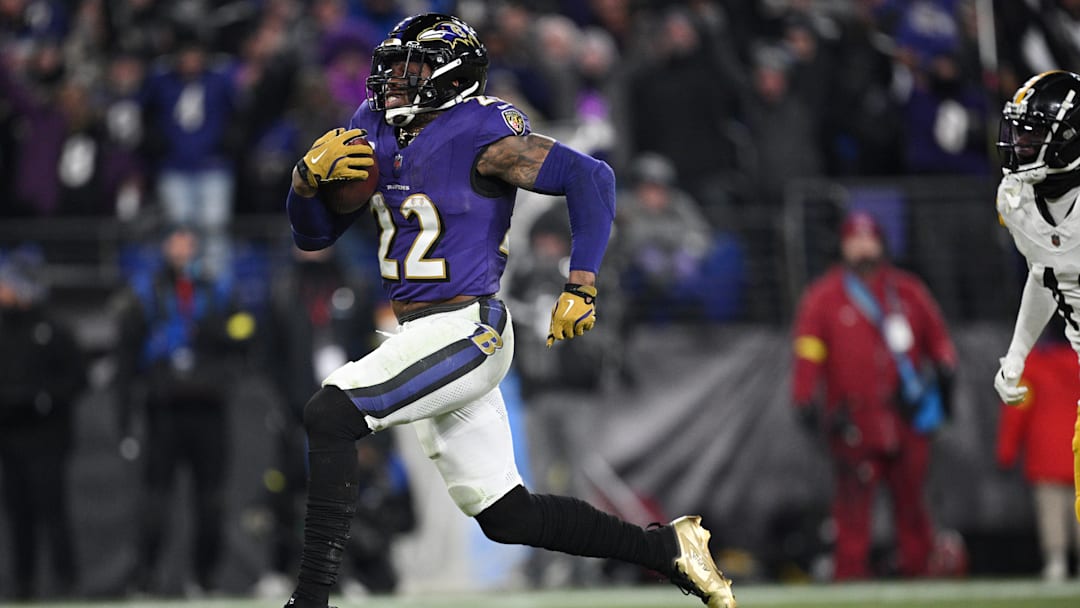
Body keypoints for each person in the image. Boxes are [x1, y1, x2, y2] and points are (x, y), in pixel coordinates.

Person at [282, 13, 735, 608]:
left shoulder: (480, 130)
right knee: (507, 515)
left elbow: (591, 177)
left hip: (468, 328)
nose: (395, 78)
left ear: (449, 74)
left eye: (412, 65)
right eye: (393, 64)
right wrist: (305, 183)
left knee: (332, 411)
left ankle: (311, 601)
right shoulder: (374, 126)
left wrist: (582, 283)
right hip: (423, 332)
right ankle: (668, 550)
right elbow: (314, 237)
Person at [790, 210, 957, 580]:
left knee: (914, 510)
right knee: (851, 517)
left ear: (881, 243)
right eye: (854, 239)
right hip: (853, 422)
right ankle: (849, 586)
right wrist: (803, 396)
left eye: (869, 238)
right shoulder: (823, 297)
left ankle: (920, 584)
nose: (862, 246)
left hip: (907, 418)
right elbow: (808, 353)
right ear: (843, 246)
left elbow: (940, 343)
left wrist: (945, 379)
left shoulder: (908, 291)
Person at [112, 225, 254, 595]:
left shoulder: (216, 290)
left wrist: (217, 334)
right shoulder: (146, 292)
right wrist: (124, 420)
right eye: (174, 241)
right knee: (155, 500)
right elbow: (125, 359)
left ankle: (205, 579)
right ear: (163, 246)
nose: (181, 249)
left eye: (187, 242)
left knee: (212, 500)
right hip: (164, 410)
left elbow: (245, 333)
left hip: (208, 408)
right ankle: (145, 579)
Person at [993, 70, 1080, 527]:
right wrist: (1018, 354)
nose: (1021, 141)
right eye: (1019, 128)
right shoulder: (1016, 199)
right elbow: (1047, 272)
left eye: (1034, 130)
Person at [0, 245, 86, 599]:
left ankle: (67, 584)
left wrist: (45, 399)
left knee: (53, 513)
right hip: (10, 437)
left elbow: (78, 378)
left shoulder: (53, 329)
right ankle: (23, 586)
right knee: (18, 516)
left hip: (48, 438)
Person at [995, 323, 1080, 582]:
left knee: (1051, 512)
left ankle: (1056, 563)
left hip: (1047, 457)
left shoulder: (1034, 366)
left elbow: (1018, 408)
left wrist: (1006, 452)